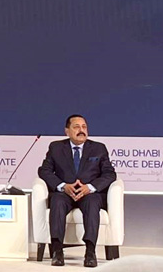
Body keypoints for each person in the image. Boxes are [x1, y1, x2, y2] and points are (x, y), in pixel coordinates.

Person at [38, 114, 116, 268]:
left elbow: (109, 174)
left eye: (84, 127)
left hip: (89, 194)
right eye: (76, 127)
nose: (82, 130)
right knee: (57, 201)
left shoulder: (98, 148)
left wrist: (90, 187)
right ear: (67, 131)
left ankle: (90, 252)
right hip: (65, 193)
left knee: (93, 203)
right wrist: (63, 186)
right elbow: (44, 170)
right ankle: (57, 251)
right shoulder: (56, 147)